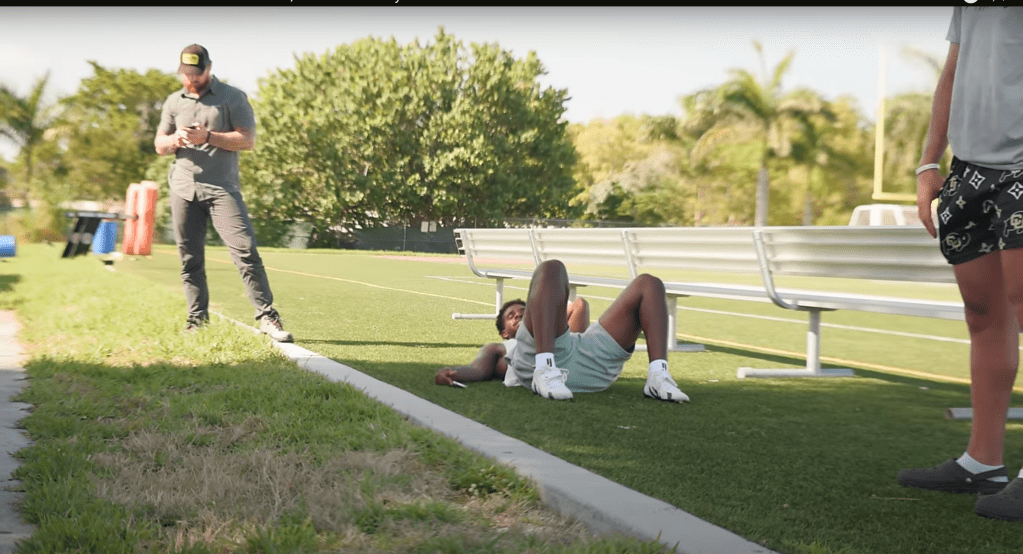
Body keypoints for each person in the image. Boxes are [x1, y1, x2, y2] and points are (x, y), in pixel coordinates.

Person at [899, 7, 1023, 521]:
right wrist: (930, 162)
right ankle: (983, 461)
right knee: (984, 316)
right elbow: (953, 68)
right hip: (970, 171)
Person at [154, 44, 292, 342]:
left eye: (196, 74)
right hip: (182, 189)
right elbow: (159, 144)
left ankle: (267, 316)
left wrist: (208, 137)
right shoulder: (173, 101)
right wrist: (175, 139)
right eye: (185, 75)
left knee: (245, 251)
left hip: (222, 191)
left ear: (209, 68)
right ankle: (196, 320)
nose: (190, 81)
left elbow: (248, 139)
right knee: (189, 258)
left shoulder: (232, 97)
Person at [436, 259, 689, 403]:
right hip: (538, 361)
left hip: (583, 356)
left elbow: (578, 309)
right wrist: (455, 373)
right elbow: (480, 368)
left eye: (522, 311)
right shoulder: (503, 348)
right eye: (511, 317)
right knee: (552, 268)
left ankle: (658, 375)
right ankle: (544, 368)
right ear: (504, 332)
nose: (519, 316)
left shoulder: (554, 327)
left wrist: (554, 310)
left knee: (649, 283)